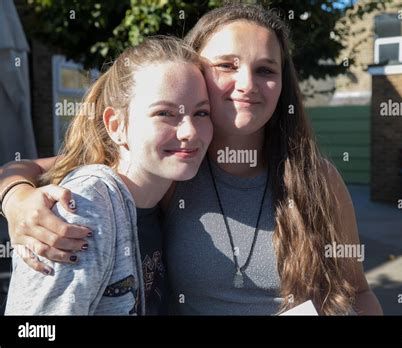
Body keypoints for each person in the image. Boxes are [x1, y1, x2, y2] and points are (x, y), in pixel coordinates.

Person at [0, 4, 382, 315]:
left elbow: (359, 291)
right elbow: (36, 167)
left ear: (283, 86)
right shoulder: (174, 163)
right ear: (194, 73)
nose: (247, 83)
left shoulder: (316, 178)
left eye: (266, 69)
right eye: (227, 65)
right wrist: (16, 199)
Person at [2, 37, 213, 315]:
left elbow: (25, 167)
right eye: (165, 113)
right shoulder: (84, 205)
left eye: (201, 112)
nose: (190, 132)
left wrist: (11, 187)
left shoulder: (169, 194)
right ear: (117, 126)